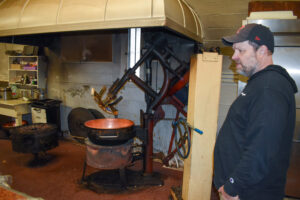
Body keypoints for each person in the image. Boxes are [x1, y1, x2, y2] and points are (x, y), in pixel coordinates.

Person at [213, 23, 298, 200]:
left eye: (241, 51)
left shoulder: (269, 87)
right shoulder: (260, 84)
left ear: (262, 51)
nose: (234, 57)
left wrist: (232, 187)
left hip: (248, 193)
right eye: (234, 50)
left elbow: (262, 149)